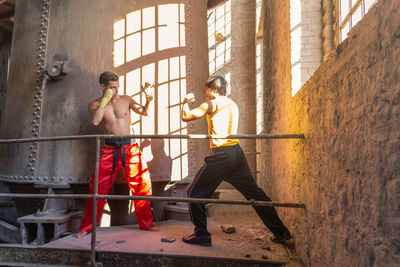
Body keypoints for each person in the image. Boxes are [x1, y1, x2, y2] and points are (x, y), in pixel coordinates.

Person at [180, 76, 292, 247]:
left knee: (193, 193)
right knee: (255, 194)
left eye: (206, 91)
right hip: (236, 154)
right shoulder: (233, 105)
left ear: (213, 90)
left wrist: (185, 102)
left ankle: (201, 235)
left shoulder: (212, 103)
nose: (205, 95)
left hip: (222, 155)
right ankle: (281, 232)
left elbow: (187, 116)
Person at [76, 71, 157, 238]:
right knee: (96, 188)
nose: (116, 90)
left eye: (118, 86)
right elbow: (96, 121)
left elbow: (144, 112)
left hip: (129, 146)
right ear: (102, 86)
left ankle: (147, 225)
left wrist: (148, 100)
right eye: (112, 87)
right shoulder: (94, 105)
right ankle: (86, 227)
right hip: (110, 148)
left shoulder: (126, 99)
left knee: (142, 185)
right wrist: (105, 101)